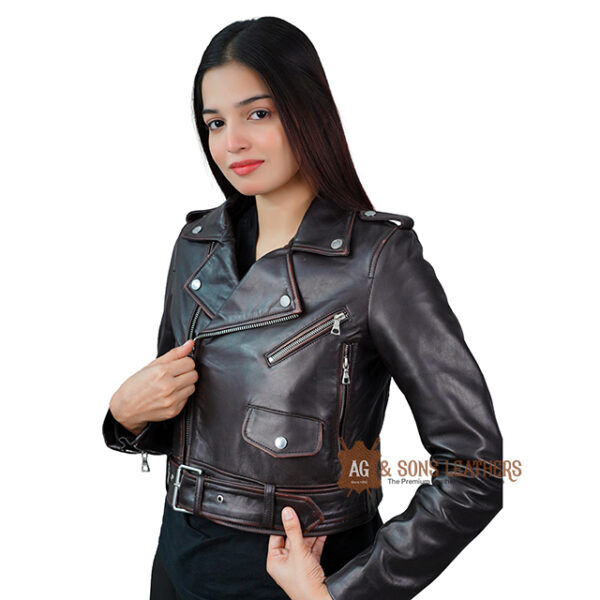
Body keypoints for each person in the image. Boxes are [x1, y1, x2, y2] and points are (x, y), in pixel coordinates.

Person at [102, 16, 503, 600]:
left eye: (258, 114)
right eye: (215, 122)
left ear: (307, 111)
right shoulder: (197, 245)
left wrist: (342, 594)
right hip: (179, 561)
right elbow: (195, 423)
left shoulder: (377, 259)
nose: (232, 142)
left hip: (302, 572)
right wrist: (125, 417)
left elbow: (475, 469)